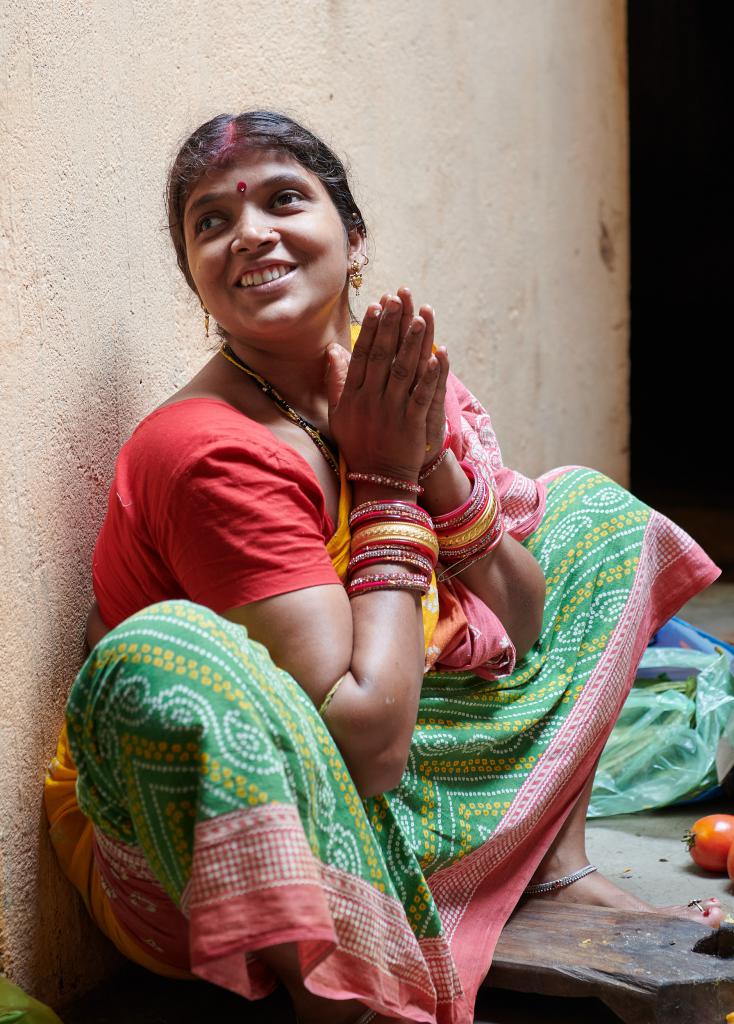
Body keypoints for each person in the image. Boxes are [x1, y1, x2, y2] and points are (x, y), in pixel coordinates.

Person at [44, 111, 724, 1024]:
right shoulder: (211, 451)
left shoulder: (384, 379)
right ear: (197, 280)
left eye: (284, 198)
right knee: (164, 653)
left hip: (392, 740)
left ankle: (550, 877)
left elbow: (522, 624)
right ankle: (348, 988)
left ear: (352, 237)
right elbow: (366, 746)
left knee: (593, 515)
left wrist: (427, 461)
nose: (249, 232)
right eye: (211, 222)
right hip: (235, 842)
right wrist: (385, 485)